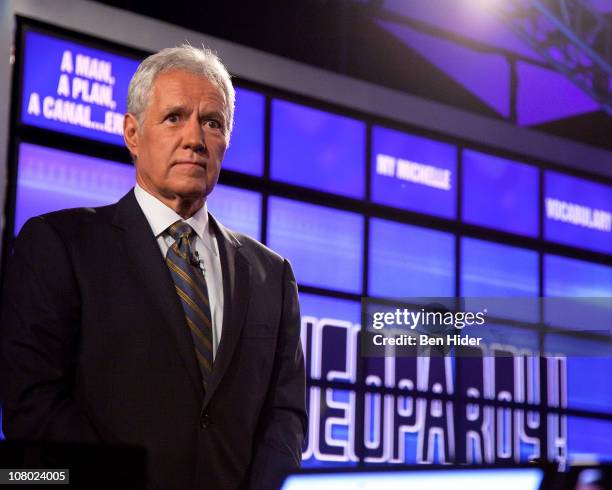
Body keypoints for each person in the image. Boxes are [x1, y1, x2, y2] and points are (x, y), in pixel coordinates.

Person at [0, 45, 307, 490]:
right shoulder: (60, 244)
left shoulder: (271, 276)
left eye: (212, 122)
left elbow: (286, 416)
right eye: (174, 117)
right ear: (132, 132)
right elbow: (33, 405)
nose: (195, 139)